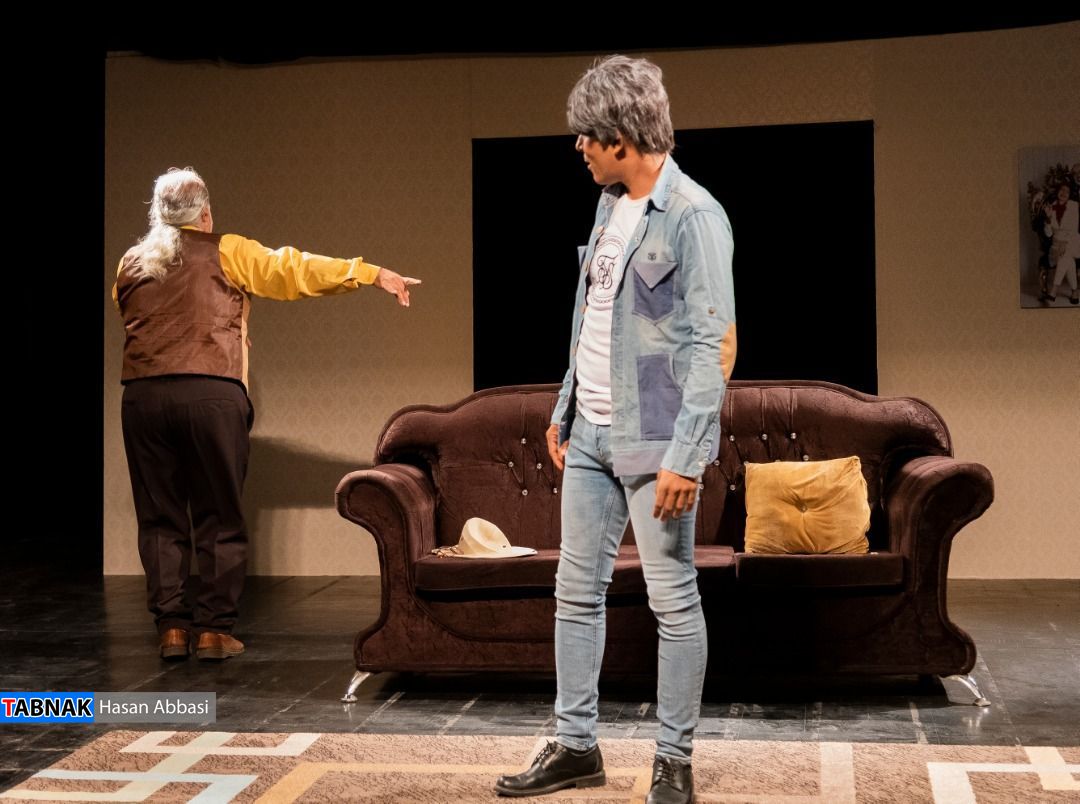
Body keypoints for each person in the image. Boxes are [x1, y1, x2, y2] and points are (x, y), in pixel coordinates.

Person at [494, 56, 736, 804]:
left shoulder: (693, 215)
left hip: (657, 441)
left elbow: (715, 343)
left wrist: (687, 457)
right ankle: (576, 747)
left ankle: (673, 762)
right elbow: (594, 314)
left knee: (673, 601)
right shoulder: (608, 208)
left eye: (587, 135)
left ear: (621, 136)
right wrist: (565, 405)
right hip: (592, 434)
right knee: (575, 592)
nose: (579, 147)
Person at [114, 167, 420, 661]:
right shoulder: (227, 251)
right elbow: (293, 269)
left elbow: (135, 316)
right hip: (211, 393)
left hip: (143, 398)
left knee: (159, 516)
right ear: (205, 215)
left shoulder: (130, 263)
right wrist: (368, 273)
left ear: (159, 216)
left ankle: (171, 628)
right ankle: (213, 631)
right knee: (218, 512)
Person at [1040, 182, 1079, 305]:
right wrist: (1048, 219)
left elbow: (1074, 229)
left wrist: (1065, 243)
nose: (1064, 193)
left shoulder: (1074, 206)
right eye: (1062, 190)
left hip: (1072, 243)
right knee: (1068, 261)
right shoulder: (1051, 207)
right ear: (1057, 192)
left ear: (1070, 194)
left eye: (1067, 191)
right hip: (1055, 246)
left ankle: (1053, 291)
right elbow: (1048, 234)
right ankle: (1075, 291)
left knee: (1065, 255)